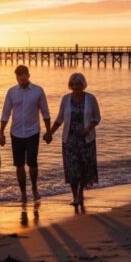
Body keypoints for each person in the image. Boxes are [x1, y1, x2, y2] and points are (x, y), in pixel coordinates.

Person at [46, 72, 101, 207]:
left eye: (78, 84)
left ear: (83, 85)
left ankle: (81, 193)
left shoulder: (91, 98)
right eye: (73, 84)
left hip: (86, 140)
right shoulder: (66, 99)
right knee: (72, 169)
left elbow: (97, 118)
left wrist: (88, 129)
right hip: (69, 140)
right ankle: (75, 196)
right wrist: (50, 133)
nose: (76, 87)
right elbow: (60, 119)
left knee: (83, 168)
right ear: (70, 86)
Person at [0, 65, 52, 202]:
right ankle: (23, 193)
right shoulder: (11, 92)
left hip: (32, 132)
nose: (21, 78)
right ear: (16, 77)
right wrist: (1, 132)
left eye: (24, 75)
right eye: (19, 76)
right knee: (19, 165)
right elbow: (6, 112)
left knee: (32, 163)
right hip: (16, 133)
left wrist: (49, 131)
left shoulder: (38, 91)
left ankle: (34, 188)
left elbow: (45, 112)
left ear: (28, 75)